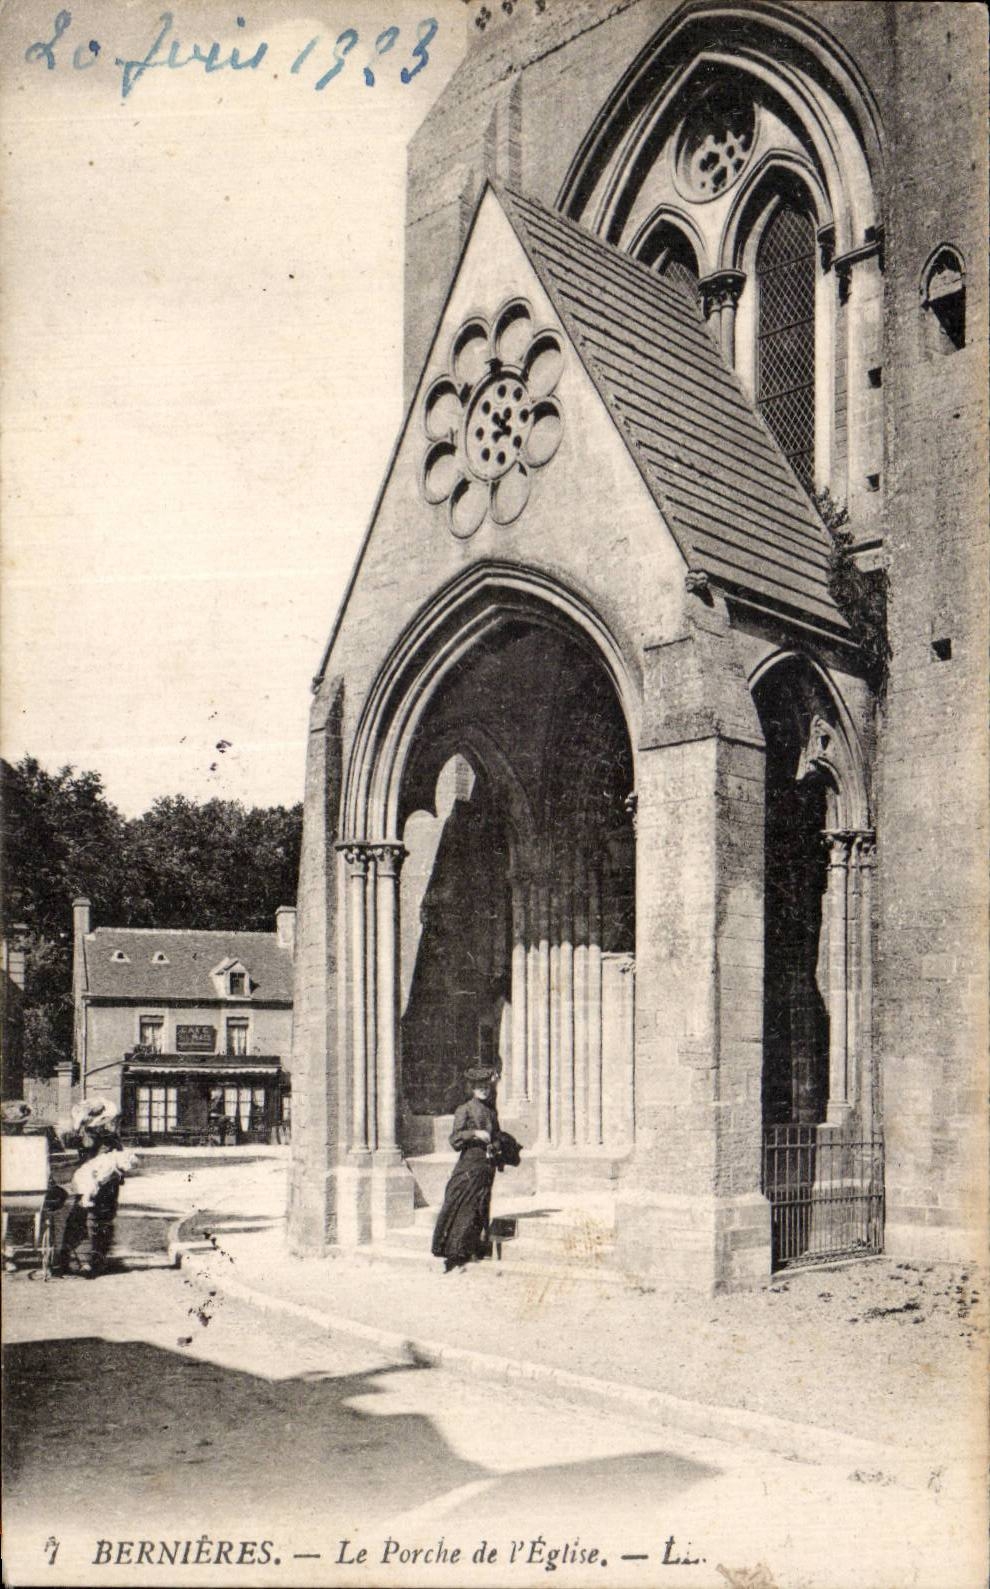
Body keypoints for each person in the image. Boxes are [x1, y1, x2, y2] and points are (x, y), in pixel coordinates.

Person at [431, 1066, 504, 1273]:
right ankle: (453, 1257)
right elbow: (455, 1139)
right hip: (469, 1165)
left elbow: (497, 1135)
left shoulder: (491, 1111)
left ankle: (471, 1252)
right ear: (472, 1088)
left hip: (485, 1167)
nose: (484, 1090)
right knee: (461, 1206)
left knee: (479, 1209)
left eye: (486, 1087)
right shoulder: (464, 1109)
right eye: (480, 1087)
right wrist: (474, 1133)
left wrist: (495, 1145)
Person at [59, 1100, 126, 1277]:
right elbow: (68, 1141)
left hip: (105, 1184)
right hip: (87, 1183)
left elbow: (109, 1163)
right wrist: (78, 1125)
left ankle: (92, 1260)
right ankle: (75, 1259)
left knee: (96, 1220)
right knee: (82, 1219)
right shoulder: (86, 1135)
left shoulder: (108, 1139)